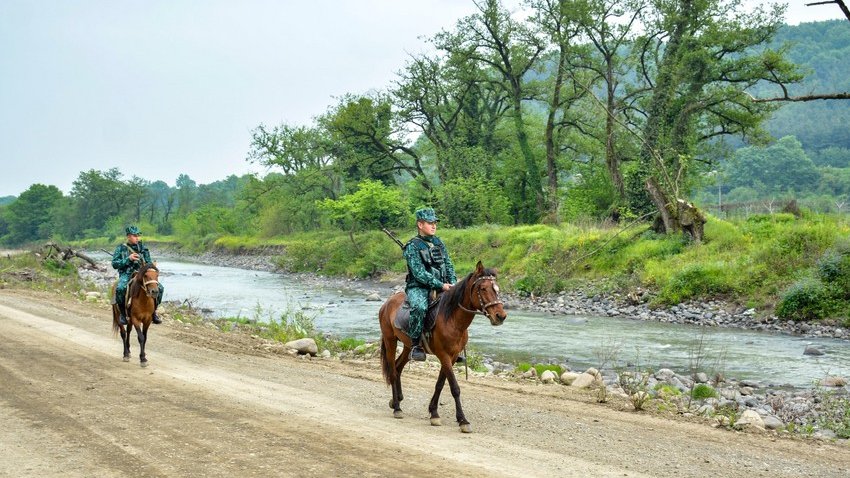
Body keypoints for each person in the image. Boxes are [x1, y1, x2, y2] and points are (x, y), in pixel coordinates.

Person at [403, 207, 456, 361]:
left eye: (435, 223)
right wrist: (440, 285)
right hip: (418, 287)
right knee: (419, 307)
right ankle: (415, 345)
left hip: (443, 285)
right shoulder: (412, 246)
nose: (434, 226)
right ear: (420, 225)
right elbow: (419, 273)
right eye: (430, 223)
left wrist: (452, 283)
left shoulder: (439, 243)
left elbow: (449, 264)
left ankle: (453, 345)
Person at [112, 225, 164, 325]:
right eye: (134, 236)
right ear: (128, 236)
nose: (137, 238)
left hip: (142, 274)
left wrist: (150, 268)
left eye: (138, 235)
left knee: (160, 288)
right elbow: (115, 264)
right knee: (120, 288)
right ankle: (123, 315)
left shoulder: (144, 249)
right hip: (126, 274)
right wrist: (128, 259)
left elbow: (149, 264)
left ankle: (153, 313)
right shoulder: (121, 248)